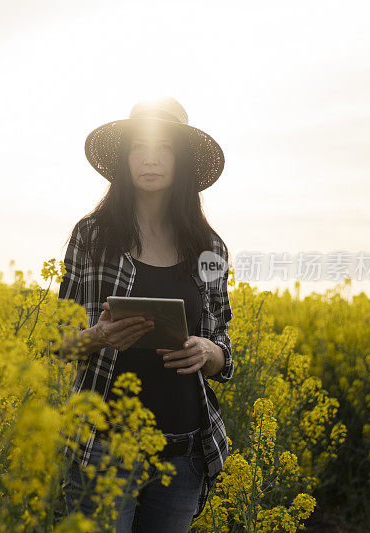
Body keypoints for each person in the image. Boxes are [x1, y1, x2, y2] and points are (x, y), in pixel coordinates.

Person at [55, 96, 235, 532]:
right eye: (138, 147)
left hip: (185, 453)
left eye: (164, 149)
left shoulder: (209, 248)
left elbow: (224, 346)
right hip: (103, 448)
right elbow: (56, 342)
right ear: (124, 159)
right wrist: (97, 337)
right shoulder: (92, 236)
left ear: (183, 162)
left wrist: (207, 352)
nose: (150, 159)